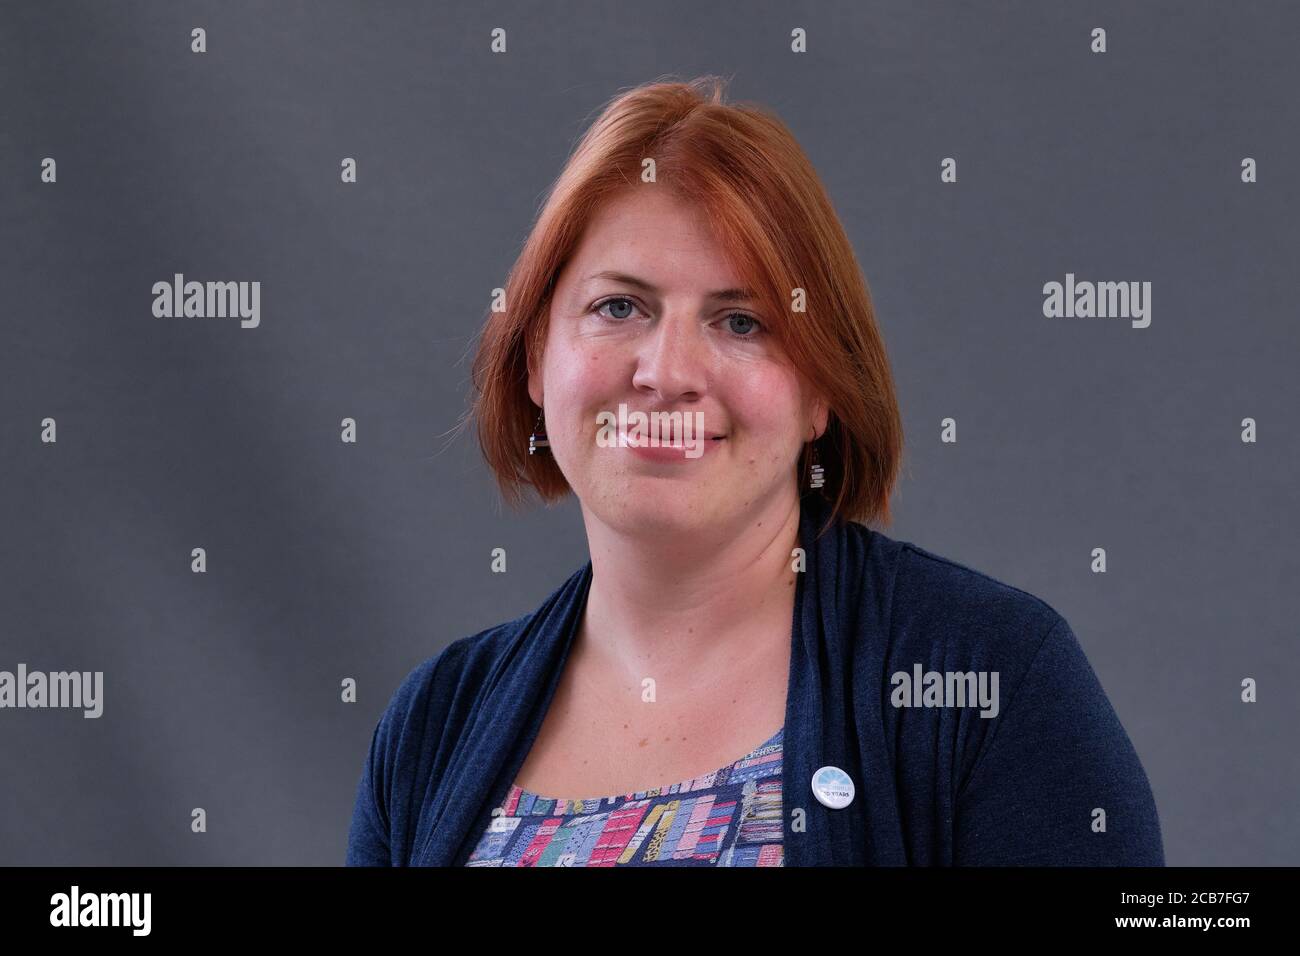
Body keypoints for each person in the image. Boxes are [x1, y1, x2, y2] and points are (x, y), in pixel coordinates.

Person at [346, 74, 1164, 867]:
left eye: (741, 322)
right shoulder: (431, 729)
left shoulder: (988, 681)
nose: (666, 372)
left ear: (821, 393)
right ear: (535, 357)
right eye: (618, 307)